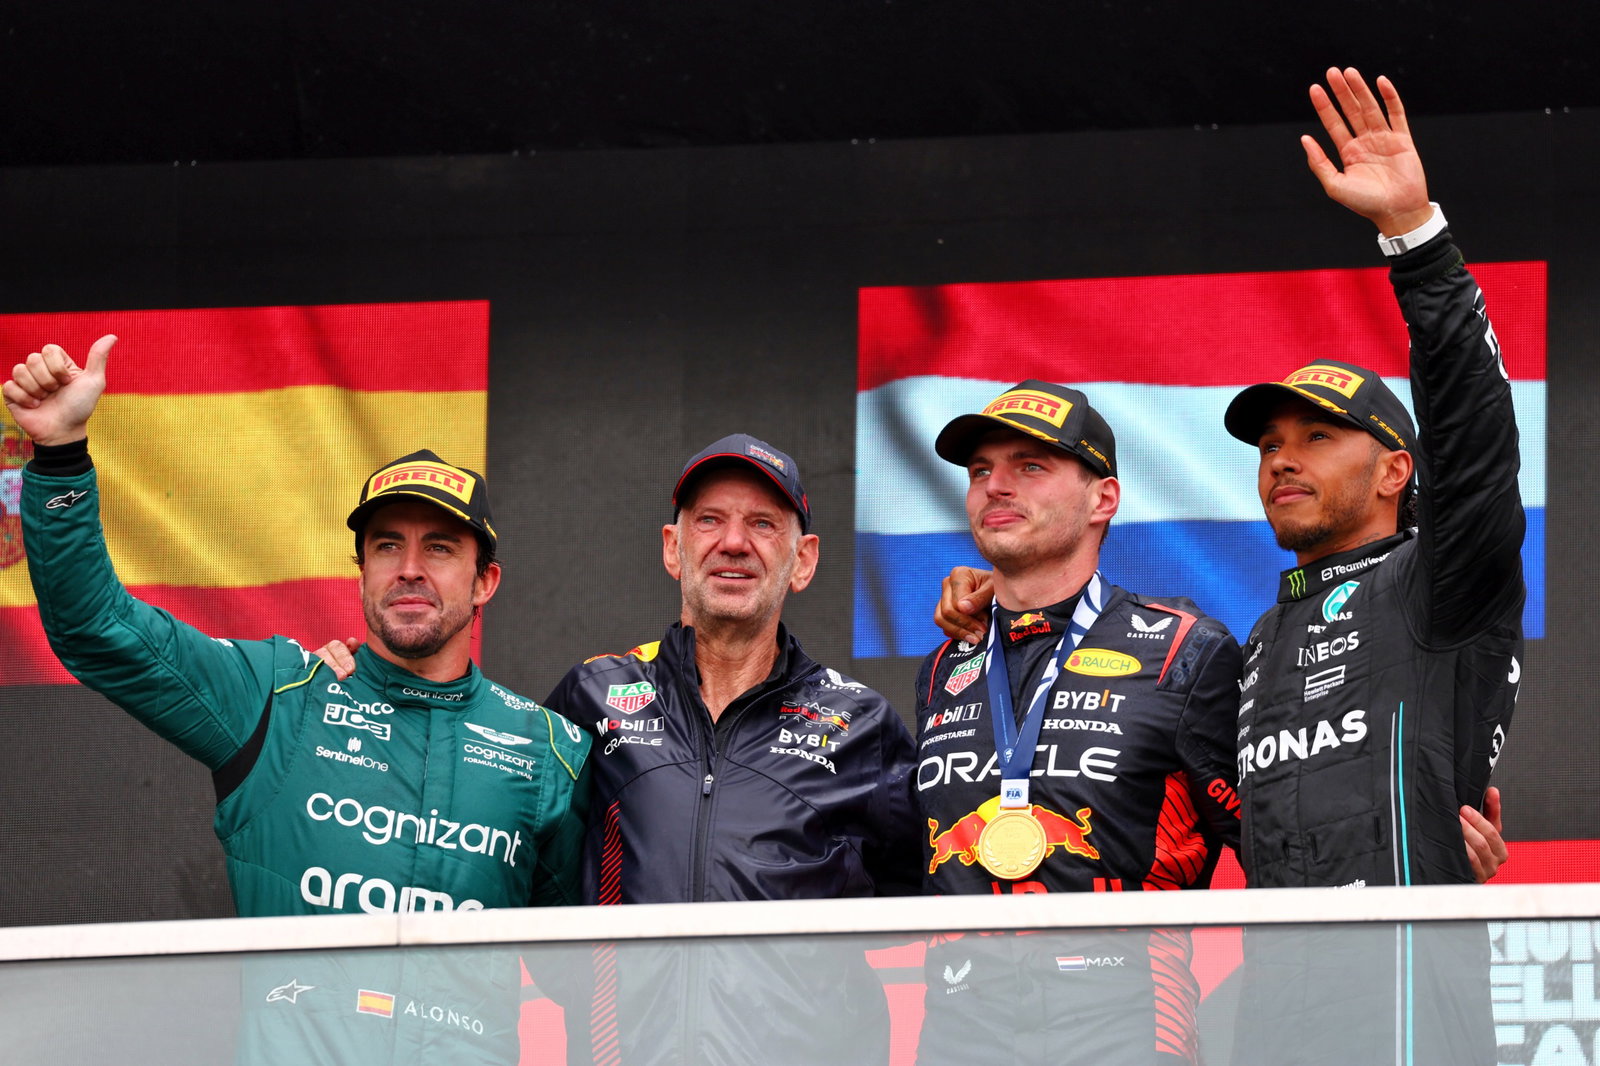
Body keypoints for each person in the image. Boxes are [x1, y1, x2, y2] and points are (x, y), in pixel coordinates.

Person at [4, 335, 591, 1063]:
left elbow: (594, 982)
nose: (409, 569)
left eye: (440, 547)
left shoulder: (548, 751)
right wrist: (60, 453)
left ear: (484, 582)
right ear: (359, 569)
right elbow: (96, 627)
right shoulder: (278, 699)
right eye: (386, 545)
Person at [317, 433, 922, 1065]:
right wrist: (368, 689)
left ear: (803, 560)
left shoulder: (861, 725)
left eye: (763, 524)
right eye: (709, 520)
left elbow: (930, 896)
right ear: (673, 548)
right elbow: (480, 817)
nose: (734, 542)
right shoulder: (594, 695)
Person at [915, 380, 1244, 1064]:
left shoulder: (1186, 649)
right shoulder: (947, 662)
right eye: (981, 471)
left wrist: (1420, 871)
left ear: (1104, 499)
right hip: (956, 1035)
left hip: (1123, 1032)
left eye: (1030, 466)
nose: (995, 487)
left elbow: (1273, 848)